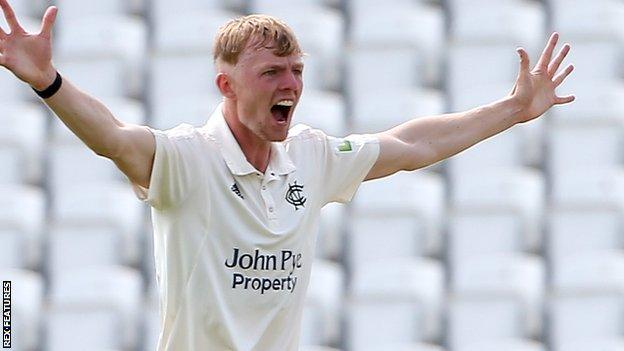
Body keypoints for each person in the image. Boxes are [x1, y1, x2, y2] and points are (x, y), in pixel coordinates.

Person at [0, 0, 575, 350]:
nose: (291, 86)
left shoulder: (312, 156)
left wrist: (510, 111)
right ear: (226, 85)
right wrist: (47, 80)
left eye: (297, 71)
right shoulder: (187, 159)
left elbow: (409, 143)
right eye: (272, 71)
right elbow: (112, 139)